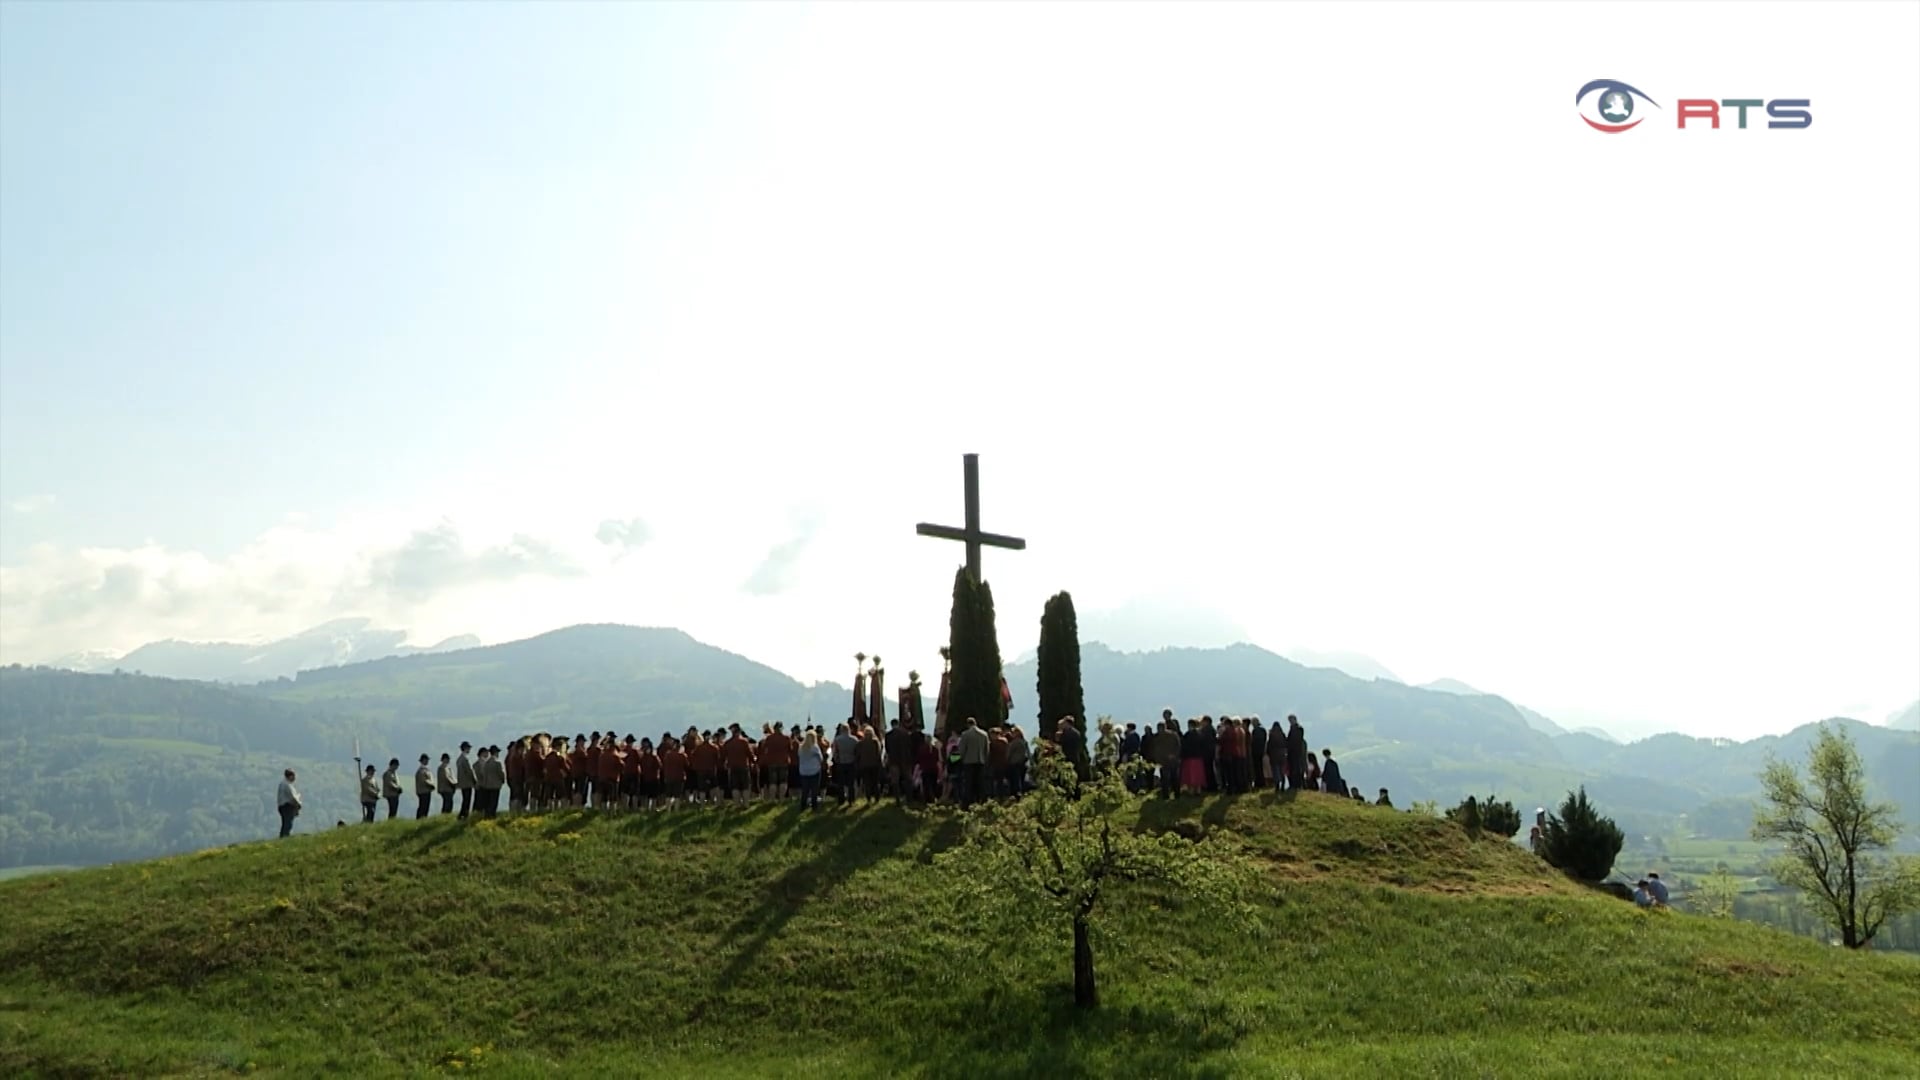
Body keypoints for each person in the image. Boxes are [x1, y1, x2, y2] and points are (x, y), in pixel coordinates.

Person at [958, 717, 991, 806]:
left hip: (968, 762)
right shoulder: (984, 734)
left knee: (968, 783)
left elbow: (961, 750)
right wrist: (984, 759)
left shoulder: (965, 735)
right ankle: (982, 801)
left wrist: (959, 760)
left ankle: (968, 803)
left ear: (968, 724)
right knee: (980, 782)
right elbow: (987, 749)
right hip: (980, 761)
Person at [796, 729, 825, 811]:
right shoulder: (815, 747)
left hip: (803, 771)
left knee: (805, 789)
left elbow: (799, 756)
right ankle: (814, 806)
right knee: (814, 789)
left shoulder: (801, 747)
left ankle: (803, 806)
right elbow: (821, 758)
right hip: (814, 770)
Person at [276, 769, 302, 837]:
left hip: (282, 806)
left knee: (285, 823)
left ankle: (282, 837)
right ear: (290, 776)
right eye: (294, 776)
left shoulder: (282, 784)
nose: (295, 778)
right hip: (287, 806)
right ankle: (285, 836)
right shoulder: (287, 785)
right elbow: (292, 797)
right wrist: (298, 804)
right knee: (288, 823)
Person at [455, 742, 477, 819]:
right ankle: (464, 814)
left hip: (462, 782)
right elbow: (469, 771)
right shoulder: (465, 759)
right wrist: (474, 780)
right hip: (467, 782)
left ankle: (462, 814)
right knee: (467, 799)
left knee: (465, 798)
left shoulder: (459, 759)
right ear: (465, 748)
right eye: (469, 748)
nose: (469, 749)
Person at [1248, 718, 1268, 791]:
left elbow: (1253, 742)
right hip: (1261, 750)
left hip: (1256, 751)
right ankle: (1261, 781)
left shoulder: (1256, 730)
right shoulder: (1263, 729)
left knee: (1257, 768)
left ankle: (1259, 782)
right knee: (1260, 767)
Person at [413, 755, 435, 819]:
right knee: (423, 806)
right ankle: (420, 818)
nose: (427, 761)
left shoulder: (425, 769)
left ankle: (424, 818)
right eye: (427, 760)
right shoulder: (421, 771)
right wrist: (431, 785)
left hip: (426, 790)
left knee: (426, 806)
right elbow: (424, 780)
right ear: (423, 760)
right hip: (423, 791)